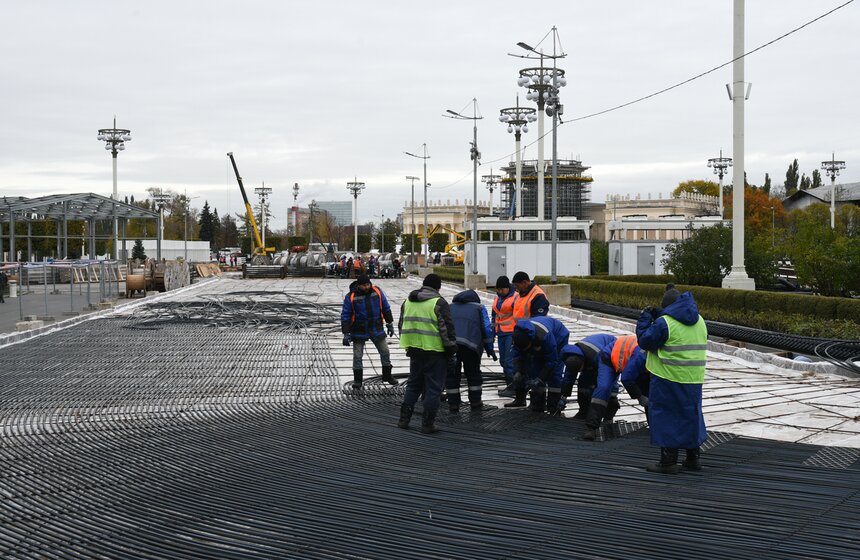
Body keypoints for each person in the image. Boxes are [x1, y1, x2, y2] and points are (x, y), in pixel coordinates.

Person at [636, 283, 708, 474]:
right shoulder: (700, 320)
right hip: (694, 378)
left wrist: (644, 318)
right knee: (691, 415)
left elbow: (645, 341)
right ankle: (693, 458)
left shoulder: (665, 323)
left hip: (667, 376)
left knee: (666, 416)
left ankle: (668, 461)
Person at [397, 274, 457, 433]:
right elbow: (448, 329)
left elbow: (401, 325)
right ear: (438, 287)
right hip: (435, 352)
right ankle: (427, 424)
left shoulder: (408, 301)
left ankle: (404, 420)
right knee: (433, 389)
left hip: (414, 351)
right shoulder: (439, 303)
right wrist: (451, 350)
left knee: (413, 385)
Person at [582, 335, 648, 441]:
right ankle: (591, 428)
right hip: (609, 358)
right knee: (603, 389)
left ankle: (653, 428)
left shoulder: (655, 355)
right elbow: (626, 378)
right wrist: (639, 396)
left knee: (647, 392)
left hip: (626, 360)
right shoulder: (642, 355)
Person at [341, 274, 397, 389]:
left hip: (376, 328)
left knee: (385, 352)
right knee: (357, 356)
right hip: (359, 330)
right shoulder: (351, 296)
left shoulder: (377, 291)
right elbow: (345, 315)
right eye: (364, 285)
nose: (367, 287)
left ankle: (387, 376)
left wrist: (389, 323)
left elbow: (385, 307)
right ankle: (358, 380)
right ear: (359, 285)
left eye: (368, 284)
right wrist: (346, 333)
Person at [446, 289, 496, 412]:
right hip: (471, 346)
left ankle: (453, 404)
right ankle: (475, 402)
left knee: (452, 375)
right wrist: (489, 348)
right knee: (473, 374)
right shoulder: (479, 307)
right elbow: (486, 328)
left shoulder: (450, 307)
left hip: (452, 346)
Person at [505, 316, 569, 412]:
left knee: (555, 373)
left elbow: (552, 361)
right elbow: (518, 356)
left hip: (558, 337)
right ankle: (536, 404)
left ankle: (553, 406)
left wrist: (541, 379)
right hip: (538, 338)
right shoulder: (517, 337)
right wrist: (518, 371)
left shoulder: (545, 337)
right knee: (534, 368)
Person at [559, 333, 617, 418]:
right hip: (592, 356)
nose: (579, 371)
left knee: (604, 387)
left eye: (580, 370)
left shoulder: (597, 356)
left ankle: (608, 415)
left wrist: (612, 393)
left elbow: (609, 375)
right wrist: (564, 395)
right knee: (583, 384)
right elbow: (569, 378)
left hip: (610, 351)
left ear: (583, 362)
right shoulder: (572, 358)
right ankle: (583, 411)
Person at [492, 275, 517, 397]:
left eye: (502, 289)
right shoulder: (498, 298)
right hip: (501, 332)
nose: (500, 292)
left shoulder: (515, 297)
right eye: (498, 289)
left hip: (511, 333)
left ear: (508, 288)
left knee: (509, 361)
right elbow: (494, 316)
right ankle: (510, 384)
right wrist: (492, 333)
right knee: (503, 361)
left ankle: (513, 386)